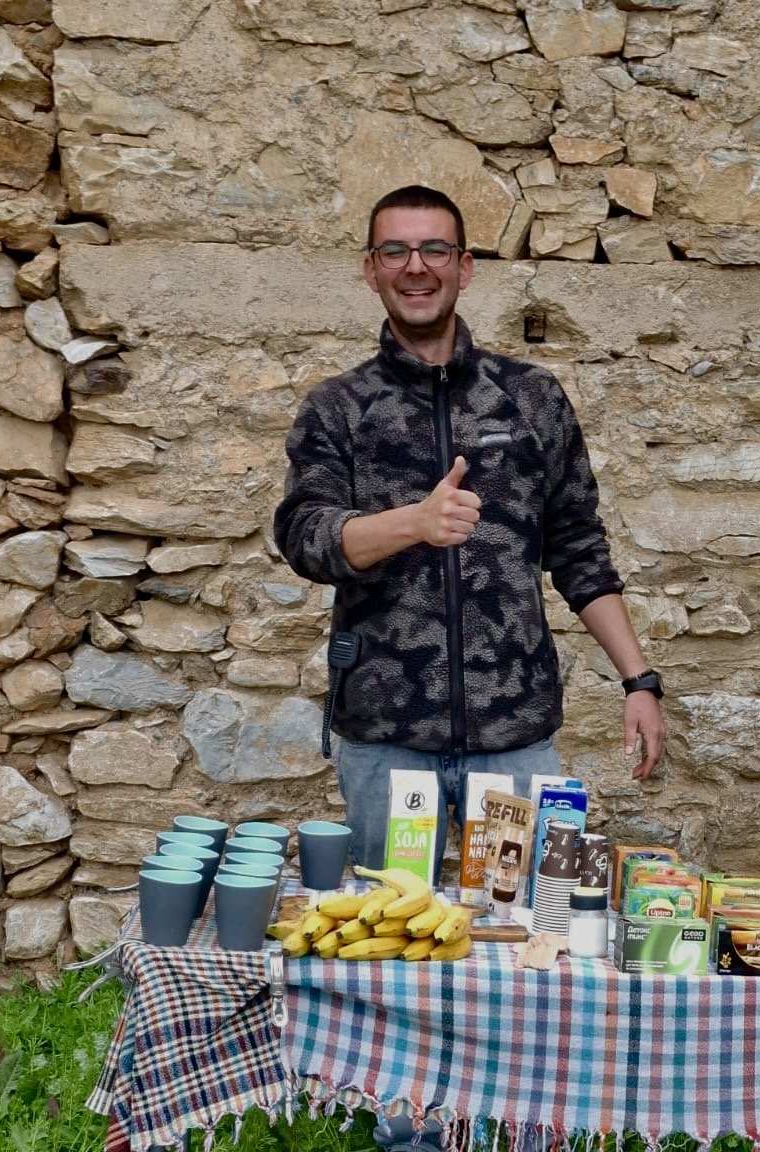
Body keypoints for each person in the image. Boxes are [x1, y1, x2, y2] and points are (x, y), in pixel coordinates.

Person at [274, 184, 665, 880]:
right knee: (392, 927)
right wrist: (414, 524)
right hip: (388, 742)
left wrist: (640, 680)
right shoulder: (338, 408)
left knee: (523, 922)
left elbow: (578, 547)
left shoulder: (530, 397)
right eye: (394, 251)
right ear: (370, 270)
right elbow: (307, 537)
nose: (415, 267)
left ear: (464, 266)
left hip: (512, 739)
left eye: (434, 249)